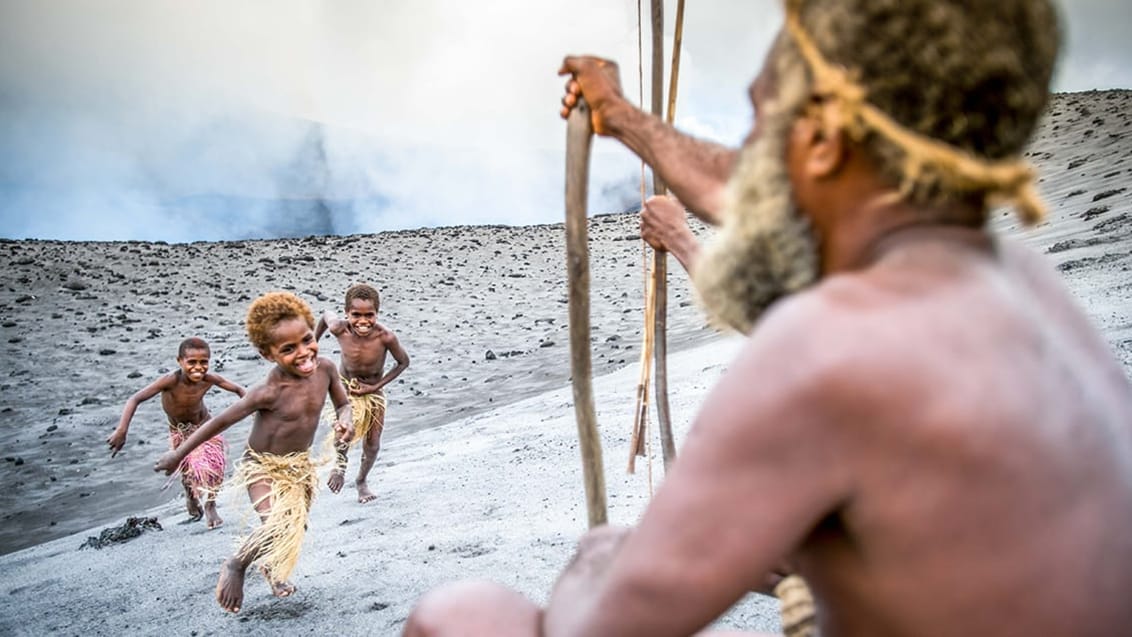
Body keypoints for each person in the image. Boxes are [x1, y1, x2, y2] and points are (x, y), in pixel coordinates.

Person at [404, 0, 1132, 635]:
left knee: (460, 613)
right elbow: (756, 190)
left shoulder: (827, 351)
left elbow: (601, 624)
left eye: (758, 119)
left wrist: (600, 555)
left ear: (821, 140)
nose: (745, 151)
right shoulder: (1022, 284)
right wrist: (624, 119)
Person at [154, 291, 353, 614]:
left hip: (298, 467)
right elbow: (217, 422)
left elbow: (343, 404)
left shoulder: (327, 369)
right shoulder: (267, 392)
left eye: (306, 340)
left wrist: (346, 420)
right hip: (261, 467)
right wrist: (178, 456)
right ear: (267, 354)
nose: (304, 353)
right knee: (276, 522)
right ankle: (236, 565)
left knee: (294, 527)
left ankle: (273, 572)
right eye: (288, 349)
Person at [107, 336, 245, 529]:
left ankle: (211, 504)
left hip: (205, 425)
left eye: (204, 362)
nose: (198, 367)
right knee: (187, 469)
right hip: (180, 431)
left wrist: (256, 410)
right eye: (191, 362)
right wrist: (122, 430)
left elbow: (239, 390)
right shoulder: (170, 381)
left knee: (216, 466)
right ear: (179, 361)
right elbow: (135, 398)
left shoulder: (209, 379)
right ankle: (191, 497)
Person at [315, 283, 410, 503]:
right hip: (345, 391)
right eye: (356, 315)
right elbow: (325, 315)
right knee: (343, 432)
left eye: (370, 315)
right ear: (347, 313)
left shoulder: (385, 337)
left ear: (377, 313)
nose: (363, 321)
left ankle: (361, 480)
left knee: (373, 444)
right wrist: (313, 342)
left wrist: (375, 387)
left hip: (374, 394)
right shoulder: (339, 328)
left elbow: (403, 362)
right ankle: (340, 464)